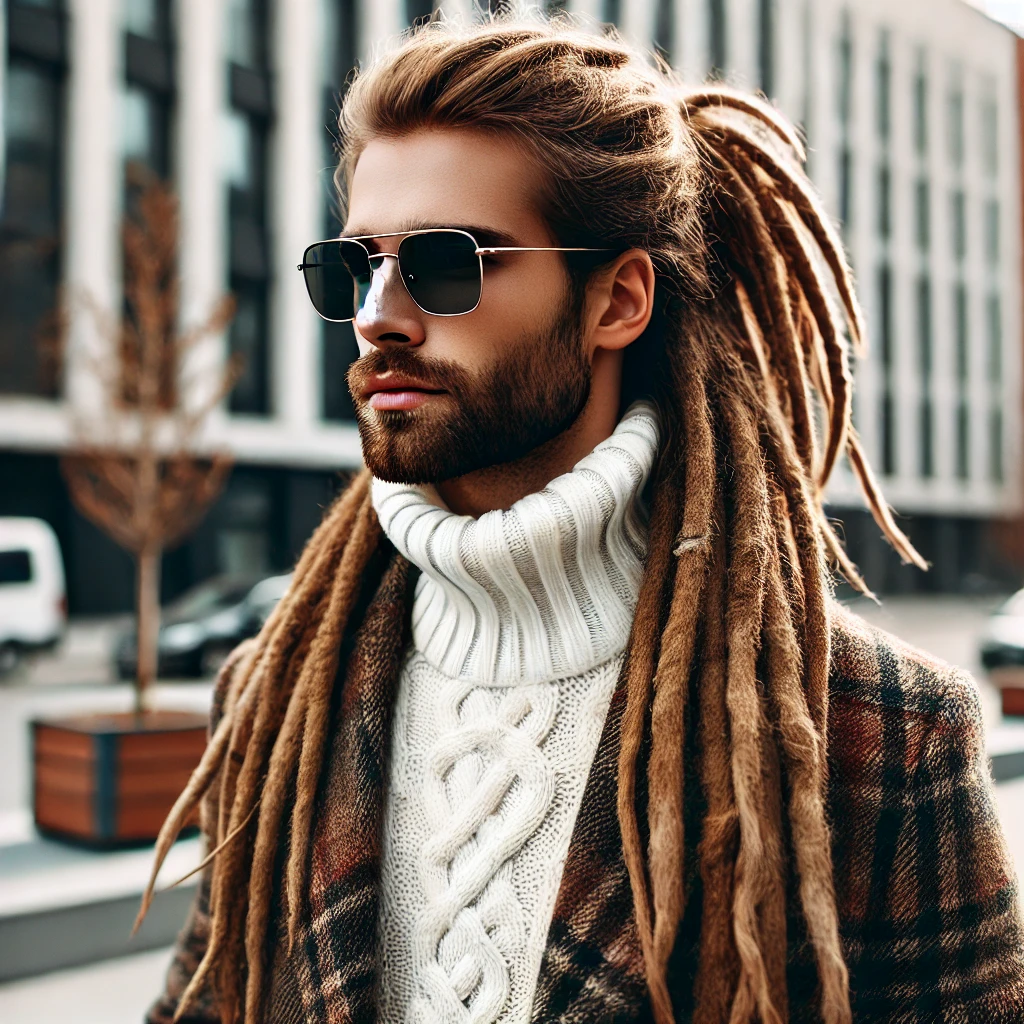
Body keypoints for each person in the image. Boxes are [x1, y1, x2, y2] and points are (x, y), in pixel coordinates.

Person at [143, 14, 1024, 1024]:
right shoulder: (275, 699)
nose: (380, 313)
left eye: (444, 263)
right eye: (354, 269)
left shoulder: (881, 739)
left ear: (617, 299)